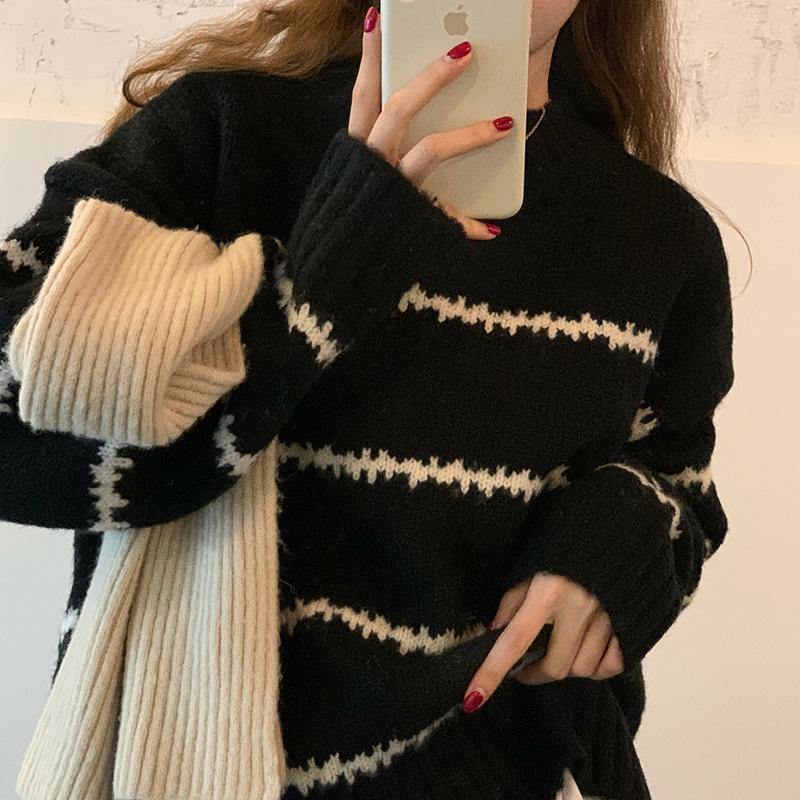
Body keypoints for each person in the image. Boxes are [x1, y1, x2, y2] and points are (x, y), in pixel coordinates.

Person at [0, 2, 736, 800]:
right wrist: (324, 275)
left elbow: (679, 484)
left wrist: (621, 539)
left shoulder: (659, 235)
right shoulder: (218, 135)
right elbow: (15, 428)